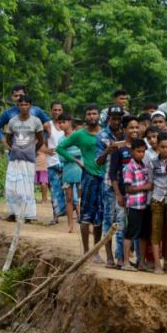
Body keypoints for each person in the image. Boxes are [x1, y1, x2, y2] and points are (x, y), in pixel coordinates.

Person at [56, 104, 104, 256]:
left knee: (99, 216)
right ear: (85, 117)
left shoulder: (104, 133)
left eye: (94, 113)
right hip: (88, 176)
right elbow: (60, 148)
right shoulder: (79, 134)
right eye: (89, 114)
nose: (92, 116)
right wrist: (76, 161)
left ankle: (95, 251)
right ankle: (85, 250)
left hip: (104, 177)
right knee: (85, 215)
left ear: (99, 116)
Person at [3, 95, 44, 223]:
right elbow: (8, 138)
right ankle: (13, 213)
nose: (24, 107)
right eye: (21, 105)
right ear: (18, 106)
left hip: (29, 159)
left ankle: (28, 215)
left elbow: (41, 140)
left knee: (27, 186)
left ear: (30, 106)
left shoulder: (36, 121)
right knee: (11, 186)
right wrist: (14, 149)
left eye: (26, 104)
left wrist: (32, 150)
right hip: (14, 158)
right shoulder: (13, 121)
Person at [107, 115, 141, 267]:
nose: (134, 130)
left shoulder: (141, 146)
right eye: (131, 128)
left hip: (138, 195)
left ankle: (134, 259)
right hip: (122, 193)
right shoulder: (119, 149)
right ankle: (120, 258)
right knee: (121, 225)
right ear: (124, 129)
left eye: (136, 127)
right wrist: (119, 195)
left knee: (135, 226)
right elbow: (113, 174)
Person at [97, 106, 126, 266]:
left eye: (118, 118)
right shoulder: (102, 136)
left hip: (124, 184)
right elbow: (98, 162)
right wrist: (108, 150)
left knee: (122, 221)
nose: (116, 121)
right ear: (109, 118)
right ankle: (109, 256)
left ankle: (120, 256)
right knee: (108, 219)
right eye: (113, 118)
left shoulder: (126, 134)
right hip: (108, 182)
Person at [148, 132, 167, 274]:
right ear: (158, 146)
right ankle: (157, 264)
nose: (165, 150)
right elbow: (150, 182)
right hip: (157, 199)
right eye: (163, 147)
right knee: (156, 232)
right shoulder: (152, 162)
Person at [121, 138, 152, 271]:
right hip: (134, 205)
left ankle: (141, 262)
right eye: (138, 151)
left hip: (144, 205)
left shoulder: (144, 166)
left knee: (144, 235)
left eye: (143, 151)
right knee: (130, 233)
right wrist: (145, 187)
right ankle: (126, 262)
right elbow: (128, 189)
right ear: (132, 151)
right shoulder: (129, 167)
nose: (141, 154)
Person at [56, 113, 81, 233]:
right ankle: (70, 225)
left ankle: (84, 222)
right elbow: (61, 158)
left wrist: (68, 154)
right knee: (69, 198)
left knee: (83, 198)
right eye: (59, 122)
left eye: (63, 122)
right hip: (67, 171)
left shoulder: (78, 136)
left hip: (80, 170)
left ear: (69, 122)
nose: (61, 125)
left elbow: (82, 151)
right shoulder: (61, 139)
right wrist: (74, 155)